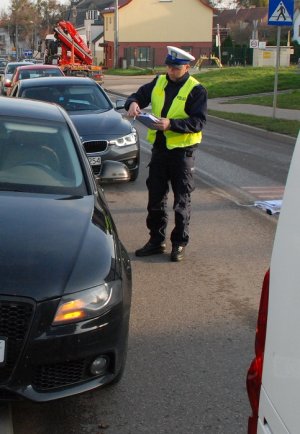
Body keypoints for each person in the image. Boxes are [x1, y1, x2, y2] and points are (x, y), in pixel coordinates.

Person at [125, 46, 207, 262]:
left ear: (187, 67)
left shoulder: (196, 90)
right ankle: (156, 241)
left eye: (176, 68)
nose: (171, 72)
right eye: (169, 67)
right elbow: (138, 96)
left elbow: (198, 122)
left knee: (181, 201)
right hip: (160, 151)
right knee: (155, 199)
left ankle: (179, 243)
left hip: (182, 153)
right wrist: (133, 103)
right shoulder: (159, 81)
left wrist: (172, 124)